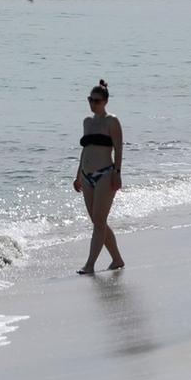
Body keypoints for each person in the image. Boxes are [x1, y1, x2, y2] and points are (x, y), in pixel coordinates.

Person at [74, 80, 125, 275]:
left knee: (100, 220)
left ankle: (89, 265)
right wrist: (78, 175)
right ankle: (117, 259)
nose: (92, 103)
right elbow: (85, 151)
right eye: (90, 100)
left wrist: (117, 173)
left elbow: (119, 148)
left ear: (105, 101)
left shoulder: (112, 121)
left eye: (96, 101)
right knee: (98, 222)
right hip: (87, 176)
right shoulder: (87, 122)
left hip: (105, 174)